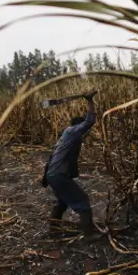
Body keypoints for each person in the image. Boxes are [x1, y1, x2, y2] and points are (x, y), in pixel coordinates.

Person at [42, 90, 101, 242]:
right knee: (83, 201)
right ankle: (89, 234)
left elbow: (52, 157)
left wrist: (45, 177)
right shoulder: (73, 132)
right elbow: (89, 121)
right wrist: (89, 101)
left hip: (53, 175)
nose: (85, 134)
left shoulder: (64, 137)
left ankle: (53, 228)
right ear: (78, 127)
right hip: (59, 176)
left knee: (63, 201)